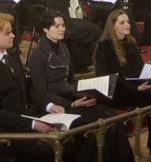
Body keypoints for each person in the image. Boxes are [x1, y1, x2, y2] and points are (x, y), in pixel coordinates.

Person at [0, 12, 104, 162]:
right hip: (4, 133)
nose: (14, 35)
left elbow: (28, 89)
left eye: (12, 31)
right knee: (63, 143)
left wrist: (49, 105)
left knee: (82, 130)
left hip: (26, 117)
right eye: (8, 33)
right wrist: (32, 123)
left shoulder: (11, 56)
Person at [27, 11, 134, 162]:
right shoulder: (38, 55)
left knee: (113, 119)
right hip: (58, 105)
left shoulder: (64, 48)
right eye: (56, 26)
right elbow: (40, 92)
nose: (62, 29)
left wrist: (85, 92)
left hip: (72, 97)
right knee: (97, 126)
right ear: (45, 29)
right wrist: (71, 103)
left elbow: (70, 80)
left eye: (63, 25)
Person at [94, 10, 151, 161]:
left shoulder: (130, 42)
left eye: (128, 22)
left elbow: (139, 68)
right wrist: (135, 89)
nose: (127, 25)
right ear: (113, 26)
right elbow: (109, 78)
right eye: (122, 22)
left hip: (135, 86)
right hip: (117, 91)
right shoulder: (104, 46)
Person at [44, 0, 102, 72]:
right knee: (96, 30)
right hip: (64, 23)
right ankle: (83, 63)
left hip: (54, 19)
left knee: (83, 27)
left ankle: (77, 63)